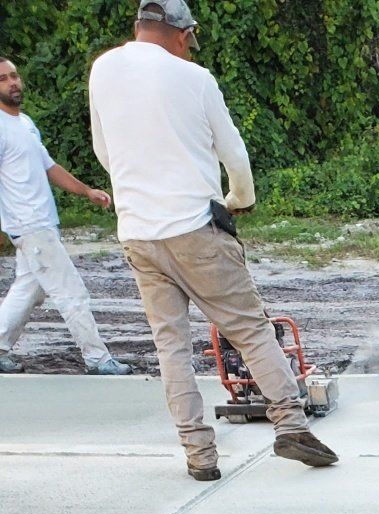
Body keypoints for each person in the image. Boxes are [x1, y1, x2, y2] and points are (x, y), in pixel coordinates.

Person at [88, 0, 335, 480]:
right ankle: (291, 425)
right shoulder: (195, 78)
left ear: (140, 26)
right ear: (182, 34)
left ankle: (199, 455)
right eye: (190, 41)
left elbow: (104, 151)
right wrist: (240, 198)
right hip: (195, 229)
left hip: (138, 233)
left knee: (172, 347)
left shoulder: (103, 69)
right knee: (250, 329)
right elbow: (234, 154)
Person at [0, 58, 131, 375]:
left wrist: (86, 191)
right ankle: (98, 359)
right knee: (71, 291)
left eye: (14, 76)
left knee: (29, 289)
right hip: (29, 225)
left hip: (42, 223)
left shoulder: (24, 123)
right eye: (3, 79)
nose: (12, 82)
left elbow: (49, 167)